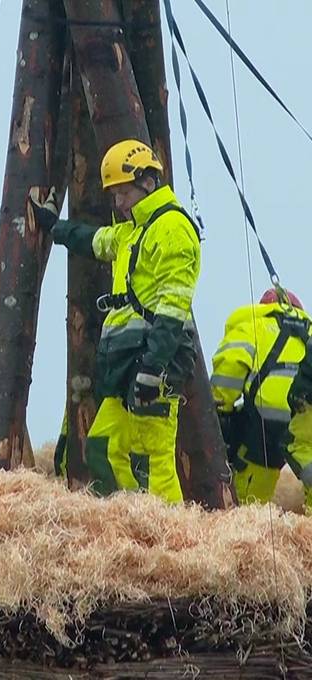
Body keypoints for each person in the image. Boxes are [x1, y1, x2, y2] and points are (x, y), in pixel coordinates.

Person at [32, 139, 201, 503]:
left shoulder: (171, 227)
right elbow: (94, 241)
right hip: (126, 364)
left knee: (152, 459)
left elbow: (172, 307)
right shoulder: (132, 232)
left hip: (155, 362)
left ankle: (171, 540)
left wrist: (153, 368)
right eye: (115, 195)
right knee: (102, 446)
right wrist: (54, 227)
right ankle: (131, 521)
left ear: (148, 183)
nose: (118, 203)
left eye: (123, 193)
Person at [211, 288, 312, 508]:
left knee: (251, 500)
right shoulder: (309, 335)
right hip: (304, 417)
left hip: (264, 425)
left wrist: (221, 410)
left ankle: (248, 517)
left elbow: (227, 374)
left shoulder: (253, 325)